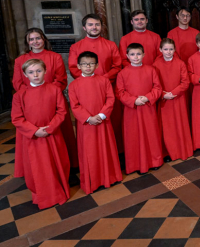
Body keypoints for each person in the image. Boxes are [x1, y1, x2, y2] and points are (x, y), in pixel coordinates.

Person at [14, 28, 77, 178]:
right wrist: (33, 94)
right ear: (27, 43)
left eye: (38, 38)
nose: (35, 42)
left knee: (61, 136)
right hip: (30, 105)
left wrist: (48, 93)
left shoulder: (55, 57)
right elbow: (17, 83)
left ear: (44, 39)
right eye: (31, 39)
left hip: (53, 101)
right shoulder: (20, 60)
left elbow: (61, 80)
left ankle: (67, 167)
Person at [11, 59, 70, 209]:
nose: (35, 75)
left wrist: (49, 128)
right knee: (37, 167)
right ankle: (41, 193)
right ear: (25, 74)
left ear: (45, 71)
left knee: (57, 163)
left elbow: (61, 111)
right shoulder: (19, 95)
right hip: (33, 138)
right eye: (31, 72)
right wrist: (35, 131)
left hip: (52, 134)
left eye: (39, 71)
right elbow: (17, 118)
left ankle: (58, 190)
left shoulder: (54, 89)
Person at [68, 51, 122, 194]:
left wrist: (102, 114)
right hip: (86, 124)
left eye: (91, 63)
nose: (88, 66)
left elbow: (110, 99)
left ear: (97, 65)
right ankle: (93, 180)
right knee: (89, 152)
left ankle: (109, 177)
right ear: (79, 66)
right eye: (85, 64)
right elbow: (74, 105)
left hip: (102, 121)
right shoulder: (74, 85)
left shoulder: (103, 80)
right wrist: (88, 118)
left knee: (106, 148)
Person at [69, 14, 124, 151]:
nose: (94, 27)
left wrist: (103, 79)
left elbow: (117, 66)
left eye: (97, 25)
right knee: (89, 127)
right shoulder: (76, 47)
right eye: (90, 25)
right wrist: (89, 80)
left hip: (107, 89)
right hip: (85, 92)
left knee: (113, 122)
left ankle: (116, 152)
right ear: (84, 27)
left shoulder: (110, 45)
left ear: (101, 27)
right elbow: (73, 68)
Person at [117, 43, 163, 174]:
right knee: (133, 136)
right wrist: (134, 100)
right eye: (132, 54)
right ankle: (135, 164)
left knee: (151, 133)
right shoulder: (122, 73)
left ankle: (154, 161)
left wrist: (148, 97)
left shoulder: (151, 70)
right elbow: (120, 92)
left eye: (138, 54)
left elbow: (157, 88)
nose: (135, 57)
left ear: (143, 55)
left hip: (148, 107)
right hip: (131, 109)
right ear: (127, 56)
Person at [153, 39, 193, 161]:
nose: (168, 52)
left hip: (178, 98)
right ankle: (167, 152)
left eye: (171, 49)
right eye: (165, 49)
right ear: (160, 50)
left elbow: (185, 82)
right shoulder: (155, 64)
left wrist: (173, 93)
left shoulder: (180, 63)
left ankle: (181, 150)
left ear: (175, 49)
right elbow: (153, 83)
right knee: (167, 127)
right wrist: (163, 94)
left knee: (180, 124)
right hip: (164, 99)